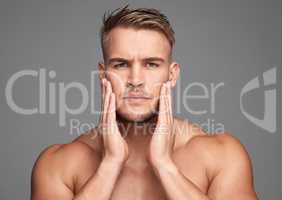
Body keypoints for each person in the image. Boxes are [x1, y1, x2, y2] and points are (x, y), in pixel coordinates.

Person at [31, 5, 258, 200]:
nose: (136, 81)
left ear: (172, 74)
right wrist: (110, 164)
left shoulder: (222, 155)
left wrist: (164, 165)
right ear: (103, 74)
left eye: (151, 64)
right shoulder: (58, 165)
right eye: (121, 64)